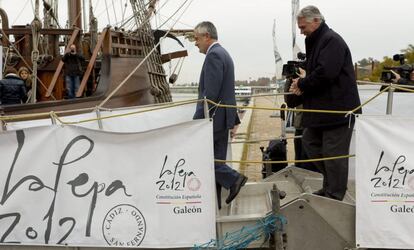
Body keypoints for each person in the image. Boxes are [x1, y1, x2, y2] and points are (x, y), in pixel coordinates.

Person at [288, 6, 361, 201]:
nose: (301, 30)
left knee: (333, 154)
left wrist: (302, 84)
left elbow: (326, 73)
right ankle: (331, 184)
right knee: (310, 142)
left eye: (303, 27)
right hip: (323, 111)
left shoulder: (331, 40)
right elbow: (317, 72)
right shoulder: (317, 40)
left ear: (316, 21)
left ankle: (335, 194)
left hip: (339, 111)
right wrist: (301, 82)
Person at [193, 21, 247, 208]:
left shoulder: (214, 55)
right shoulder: (224, 53)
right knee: (216, 159)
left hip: (215, 120)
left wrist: (197, 121)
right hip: (223, 118)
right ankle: (216, 203)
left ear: (207, 36)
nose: (195, 43)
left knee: (207, 161)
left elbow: (211, 94)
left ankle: (234, 179)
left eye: (196, 38)